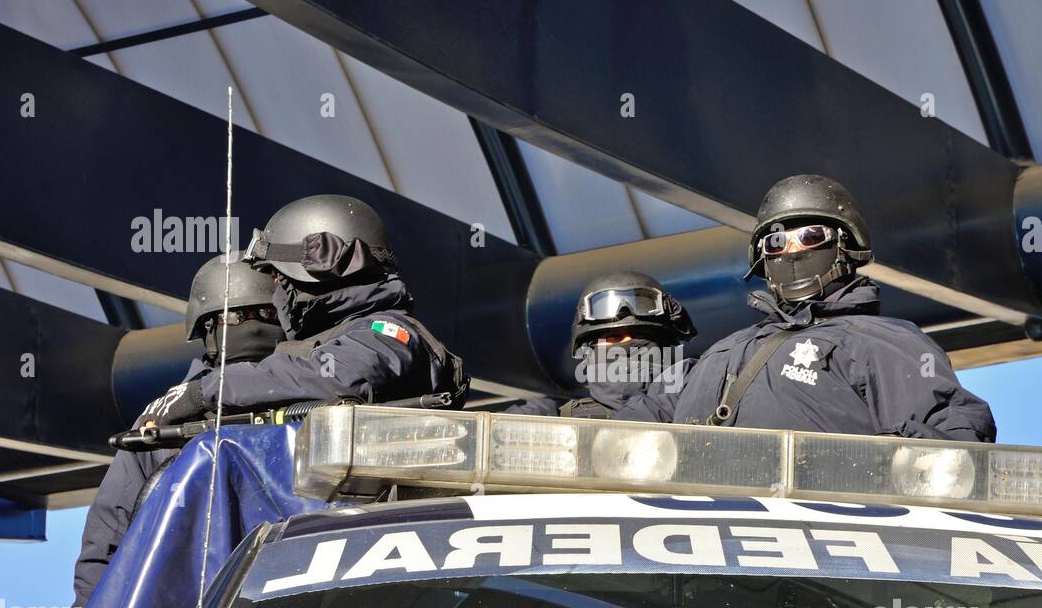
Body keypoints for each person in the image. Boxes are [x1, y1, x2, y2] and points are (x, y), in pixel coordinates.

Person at [616, 174, 996, 442]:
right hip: (700, 536)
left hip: (817, 538)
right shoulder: (719, 355)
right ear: (761, 260)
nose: (792, 251)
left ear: (846, 247)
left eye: (812, 236)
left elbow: (951, 433)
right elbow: (627, 429)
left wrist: (878, 467)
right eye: (776, 241)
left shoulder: (883, 343)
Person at [143, 194, 468, 428]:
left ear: (313, 275)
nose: (275, 290)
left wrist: (204, 392)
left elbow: (341, 376)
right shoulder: (313, 349)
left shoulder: (391, 333)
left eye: (278, 277)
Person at [72, 256, 285, 608]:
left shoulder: (312, 386)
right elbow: (107, 541)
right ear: (210, 328)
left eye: (268, 315)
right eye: (240, 317)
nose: (259, 326)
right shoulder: (160, 419)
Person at [507, 270, 695, 419]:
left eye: (641, 336)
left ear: (665, 346)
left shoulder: (695, 402)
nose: (627, 345)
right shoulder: (556, 419)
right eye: (613, 338)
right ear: (589, 350)